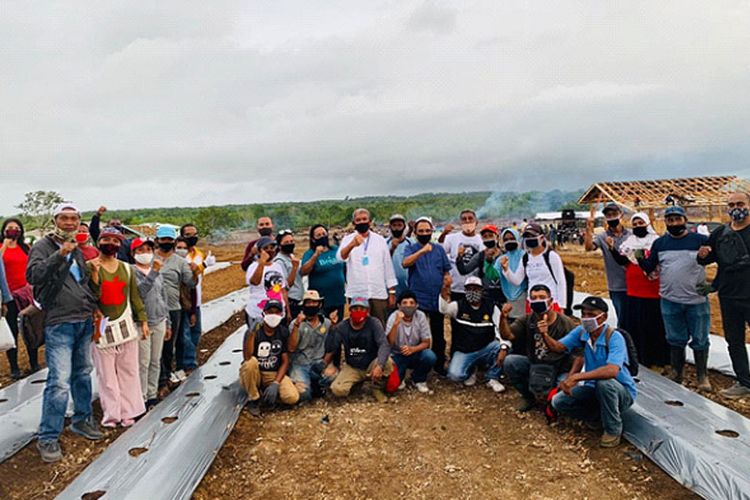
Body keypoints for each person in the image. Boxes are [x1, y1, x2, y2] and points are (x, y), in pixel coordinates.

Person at [26, 203, 103, 463]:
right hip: (59, 322)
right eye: (64, 218)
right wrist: (60, 255)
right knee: (59, 381)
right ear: (55, 220)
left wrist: (93, 306)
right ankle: (48, 436)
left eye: (73, 218)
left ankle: (82, 419)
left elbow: (82, 282)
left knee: (82, 373)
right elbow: (34, 276)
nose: (69, 222)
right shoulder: (42, 246)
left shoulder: (78, 249)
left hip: (82, 319)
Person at [541, 296, 637, 448]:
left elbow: (612, 370)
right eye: (584, 314)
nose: (586, 318)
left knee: (605, 384)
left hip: (620, 392)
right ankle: (596, 418)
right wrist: (545, 335)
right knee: (559, 401)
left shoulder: (614, 337)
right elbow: (559, 347)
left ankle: (613, 430)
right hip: (594, 389)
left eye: (591, 315)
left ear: (603, 317)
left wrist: (577, 376)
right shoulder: (582, 332)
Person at [639, 206, 711, 391]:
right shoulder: (660, 244)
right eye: (670, 220)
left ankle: (702, 377)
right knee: (675, 338)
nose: (674, 223)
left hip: (696, 301)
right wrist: (638, 257)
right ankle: (677, 372)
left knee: (700, 339)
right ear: (666, 223)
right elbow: (650, 267)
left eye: (677, 219)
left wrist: (713, 285)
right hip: (670, 300)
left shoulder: (700, 240)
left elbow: (721, 259)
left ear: (685, 220)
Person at [88, 227, 148, 428]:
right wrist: (95, 275)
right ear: (99, 242)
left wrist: (143, 320)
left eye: (116, 240)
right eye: (107, 239)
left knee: (128, 370)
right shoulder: (90, 267)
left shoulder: (126, 268)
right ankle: (111, 414)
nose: (111, 244)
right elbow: (91, 296)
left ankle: (130, 411)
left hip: (125, 325)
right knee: (106, 375)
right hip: (101, 327)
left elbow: (135, 297)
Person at [697, 192, 750, 398]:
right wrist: (701, 255)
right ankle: (744, 382)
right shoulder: (721, 233)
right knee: (734, 341)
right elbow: (705, 259)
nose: (736, 207)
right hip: (728, 296)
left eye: (740, 203)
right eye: (731, 204)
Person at [498, 284, 579, 411]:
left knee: (564, 390)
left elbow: (577, 353)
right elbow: (508, 335)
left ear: (551, 301)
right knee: (510, 362)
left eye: (542, 297)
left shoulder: (566, 323)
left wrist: (571, 377)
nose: (538, 301)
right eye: (534, 298)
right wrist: (503, 318)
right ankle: (528, 397)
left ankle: (553, 405)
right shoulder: (528, 319)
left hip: (559, 367)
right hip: (535, 364)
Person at [610, 213, 669, 368]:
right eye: (634, 224)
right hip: (633, 291)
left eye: (640, 223)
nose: (637, 226)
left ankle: (657, 359)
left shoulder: (656, 242)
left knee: (654, 326)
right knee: (636, 326)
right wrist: (612, 249)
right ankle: (639, 358)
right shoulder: (629, 243)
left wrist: (642, 258)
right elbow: (622, 260)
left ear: (647, 224)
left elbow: (654, 265)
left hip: (652, 292)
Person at [439, 276, 509, 393]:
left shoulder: (491, 306)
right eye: (469, 289)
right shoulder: (459, 306)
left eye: (476, 289)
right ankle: (470, 370)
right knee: (454, 375)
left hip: (485, 348)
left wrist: (503, 347)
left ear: (482, 290)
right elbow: (444, 309)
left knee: (504, 347)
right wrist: (444, 291)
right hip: (464, 351)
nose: (473, 292)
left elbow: (501, 328)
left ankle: (492, 377)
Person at [402, 216, 452, 375]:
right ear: (415, 233)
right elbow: (405, 263)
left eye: (427, 231)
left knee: (438, 333)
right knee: (417, 333)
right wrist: (422, 251)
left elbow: (445, 269)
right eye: (421, 231)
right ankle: (418, 364)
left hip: (435, 298)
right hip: (418, 298)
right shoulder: (412, 248)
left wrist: (446, 280)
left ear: (432, 232)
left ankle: (438, 364)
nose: (424, 233)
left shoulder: (439, 249)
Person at [322, 297, 395, 401]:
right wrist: (333, 328)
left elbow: (384, 344)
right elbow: (331, 347)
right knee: (337, 389)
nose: (358, 311)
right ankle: (356, 384)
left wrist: (379, 365)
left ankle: (377, 388)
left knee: (388, 362)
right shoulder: (342, 326)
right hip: (353, 366)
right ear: (350, 310)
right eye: (355, 308)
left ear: (368, 311)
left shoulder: (374, 323)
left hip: (371, 364)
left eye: (362, 309)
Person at [336, 208, 397, 327]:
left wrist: (392, 292)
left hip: (378, 292)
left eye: (364, 219)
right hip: (357, 292)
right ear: (354, 223)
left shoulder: (380, 240)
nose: (362, 222)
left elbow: (388, 267)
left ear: (370, 222)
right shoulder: (348, 239)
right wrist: (352, 245)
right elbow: (341, 257)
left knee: (379, 325)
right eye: (358, 220)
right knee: (358, 326)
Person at [154, 225, 197, 392]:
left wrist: (195, 272)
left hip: (173, 308)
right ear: (158, 240)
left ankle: (165, 377)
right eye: (163, 239)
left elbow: (190, 283)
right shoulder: (150, 258)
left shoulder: (179, 262)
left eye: (169, 239)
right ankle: (160, 379)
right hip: (153, 308)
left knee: (169, 344)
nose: (166, 242)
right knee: (156, 346)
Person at [240, 300, 300, 417]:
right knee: (250, 363)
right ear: (263, 314)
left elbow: (285, 361)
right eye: (270, 312)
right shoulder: (254, 331)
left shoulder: (282, 331)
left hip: (272, 373)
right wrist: (251, 333)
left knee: (292, 397)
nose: (273, 315)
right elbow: (247, 356)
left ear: (281, 315)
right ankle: (254, 399)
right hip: (256, 372)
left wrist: (276, 383)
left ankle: (269, 395)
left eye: (277, 312)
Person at [132, 238, 171, 408]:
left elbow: (163, 297)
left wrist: (168, 322)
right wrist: (154, 272)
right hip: (142, 323)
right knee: (143, 361)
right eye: (140, 250)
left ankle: (152, 394)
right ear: (133, 254)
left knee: (155, 360)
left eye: (148, 249)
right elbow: (139, 293)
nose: (145, 253)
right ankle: (141, 396)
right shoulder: (131, 272)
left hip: (159, 321)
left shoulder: (157, 272)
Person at [1, 218, 40, 378]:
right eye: (10, 228)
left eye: (17, 228)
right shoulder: (1, 249)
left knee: (29, 328)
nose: (13, 231)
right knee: (13, 331)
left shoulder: (25, 248)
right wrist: (5, 244)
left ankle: (34, 363)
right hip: (9, 296)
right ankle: (14, 368)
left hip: (26, 294)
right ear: (3, 230)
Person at [504, 223, 568, 312]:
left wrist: (561, 306)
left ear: (541, 238)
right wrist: (506, 270)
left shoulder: (551, 256)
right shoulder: (526, 258)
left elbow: (561, 282)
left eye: (532, 236)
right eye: (527, 237)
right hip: (532, 303)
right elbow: (517, 281)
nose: (530, 239)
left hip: (550, 303)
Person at [178, 223, 216, 373]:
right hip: (183, 300)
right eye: (188, 235)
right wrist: (205, 264)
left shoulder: (198, 253)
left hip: (196, 298)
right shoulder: (180, 254)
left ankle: (188, 360)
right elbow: (188, 272)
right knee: (185, 334)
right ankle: (188, 363)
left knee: (196, 332)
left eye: (194, 234)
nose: (192, 237)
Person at [584, 202, 630, 325]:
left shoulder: (631, 235)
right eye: (608, 215)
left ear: (621, 215)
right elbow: (589, 248)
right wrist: (589, 229)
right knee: (623, 318)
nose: (612, 217)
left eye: (614, 214)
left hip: (634, 284)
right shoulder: (602, 237)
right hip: (616, 285)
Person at [386, 290, 436, 393]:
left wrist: (413, 349)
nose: (408, 306)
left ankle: (418, 379)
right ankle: (401, 376)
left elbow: (427, 342)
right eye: (404, 303)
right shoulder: (393, 317)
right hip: (397, 354)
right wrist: (395, 324)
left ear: (416, 305)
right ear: (399, 305)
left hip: (415, 353)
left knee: (429, 356)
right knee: (393, 386)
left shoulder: (421, 316)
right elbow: (389, 343)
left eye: (411, 303)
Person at [288, 290, 333, 402]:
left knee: (335, 378)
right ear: (303, 305)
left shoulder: (326, 323)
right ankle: (311, 385)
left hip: (318, 362)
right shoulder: (295, 324)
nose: (312, 305)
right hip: (300, 363)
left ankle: (315, 382)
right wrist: (297, 325)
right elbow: (291, 348)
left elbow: (332, 345)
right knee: (303, 394)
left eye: (314, 302)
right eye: (308, 303)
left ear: (320, 304)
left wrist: (325, 362)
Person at [301, 224, 346, 321]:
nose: (322, 236)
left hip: (338, 298)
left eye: (324, 234)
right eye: (318, 235)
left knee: (337, 328)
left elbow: (344, 268)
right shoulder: (310, 253)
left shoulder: (336, 250)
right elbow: (304, 271)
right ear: (313, 239)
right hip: (319, 301)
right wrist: (316, 255)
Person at [439, 209, 482, 304]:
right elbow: (440, 252)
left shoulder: (481, 240)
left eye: (470, 218)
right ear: (460, 222)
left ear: (476, 222)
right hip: (455, 288)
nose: (467, 221)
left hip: (475, 288)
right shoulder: (451, 238)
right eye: (464, 219)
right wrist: (444, 234)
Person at [245, 237, 288, 331]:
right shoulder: (253, 267)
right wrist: (262, 262)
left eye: (272, 248)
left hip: (278, 312)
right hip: (258, 312)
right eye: (266, 248)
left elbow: (283, 290)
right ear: (260, 251)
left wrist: (287, 311)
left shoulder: (277, 266)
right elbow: (255, 282)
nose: (269, 250)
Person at [456, 224, 505, 306]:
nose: (488, 238)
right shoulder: (480, 256)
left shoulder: (505, 254)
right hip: (486, 297)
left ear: (497, 236)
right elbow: (464, 270)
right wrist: (459, 258)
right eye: (485, 236)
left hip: (504, 295)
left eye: (490, 235)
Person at [497, 228, 528, 324]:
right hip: (507, 296)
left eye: (512, 238)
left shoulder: (525, 256)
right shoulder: (501, 259)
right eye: (506, 239)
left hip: (523, 296)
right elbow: (493, 275)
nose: (509, 241)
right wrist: (488, 262)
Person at [274, 229, 304, 319]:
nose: (290, 244)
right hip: (291, 302)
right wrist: (294, 268)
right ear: (279, 245)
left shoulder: (291, 256)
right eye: (286, 242)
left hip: (298, 300)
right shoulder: (279, 261)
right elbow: (286, 285)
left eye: (291, 241)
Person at [386, 214, 414, 299]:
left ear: (404, 226)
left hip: (408, 288)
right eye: (394, 225)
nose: (397, 228)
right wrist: (392, 249)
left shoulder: (411, 243)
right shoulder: (384, 243)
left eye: (399, 225)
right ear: (390, 227)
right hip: (390, 290)